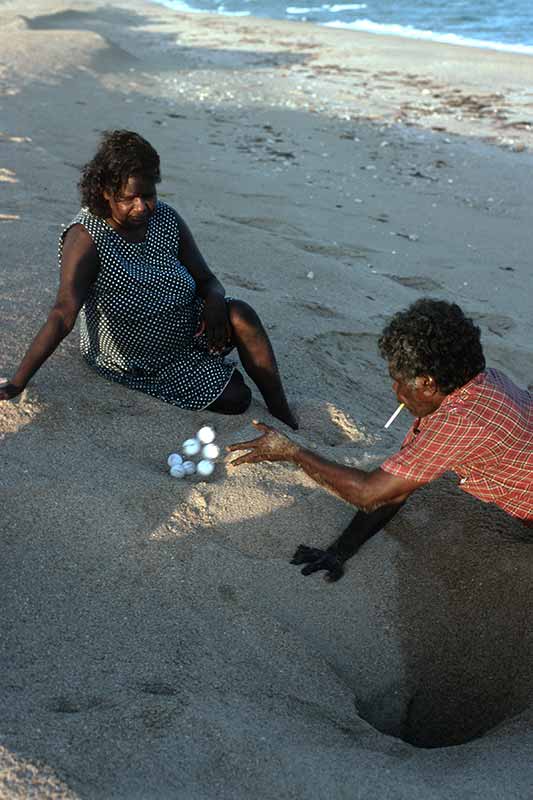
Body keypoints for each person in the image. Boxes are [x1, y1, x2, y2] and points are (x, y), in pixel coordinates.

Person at [0, 130, 297, 429]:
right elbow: (63, 314)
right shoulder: (87, 238)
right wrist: (17, 383)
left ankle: (281, 409)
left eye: (148, 195)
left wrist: (215, 300)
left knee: (241, 313)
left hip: (188, 327)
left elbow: (207, 278)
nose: (141, 207)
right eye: (129, 198)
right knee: (238, 399)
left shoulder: (165, 218)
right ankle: (208, 371)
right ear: (105, 191)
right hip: (139, 356)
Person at [228, 299, 533, 581]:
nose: (396, 391)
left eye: (398, 381)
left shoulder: (459, 422)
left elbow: (369, 492)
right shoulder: (485, 381)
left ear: (427, 383)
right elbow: (394, 488)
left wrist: (292, 451)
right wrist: (340, 551)